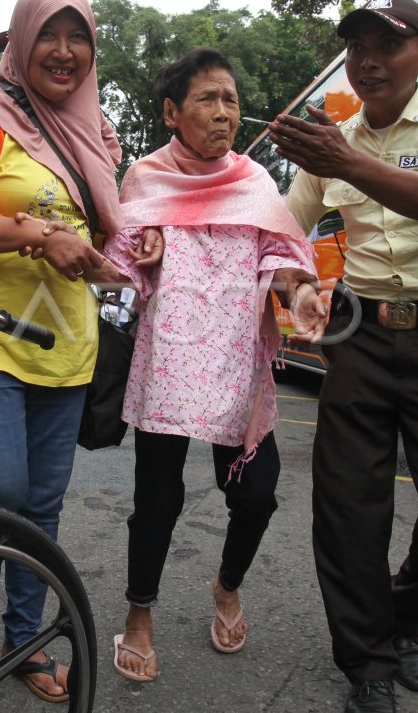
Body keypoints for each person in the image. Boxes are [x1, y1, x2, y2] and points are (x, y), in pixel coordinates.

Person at [269, 0, 418, 713]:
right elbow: (281, 237)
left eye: (387, 46)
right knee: (349, 507)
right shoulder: (331, 147)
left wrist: (345, 159)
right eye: (356, 48)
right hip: (361, 340)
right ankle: (367, 662)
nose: (368, 61)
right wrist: (295, 284)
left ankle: (404, 612)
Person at [0, 0, 160, 704]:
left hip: (67, 341)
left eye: (77, 36)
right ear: (22, 41)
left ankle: (23, 638)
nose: (63, 51)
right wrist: (34, 235)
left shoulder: (97, 131)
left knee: (43, 504)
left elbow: (108, 229)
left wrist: (137, 244)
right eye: (48, 35)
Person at [99, 48, 326, 682]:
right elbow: (117, 264)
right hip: (168, 364)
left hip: (236, 364)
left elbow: (279, 255)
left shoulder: (254, 182)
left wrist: (298, 292)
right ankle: (139, 615)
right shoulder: (145, 178)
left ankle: (227, 584)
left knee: (256, 494)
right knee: (157, 499)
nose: (223, 111)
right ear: (172, 112)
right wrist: (142, 248)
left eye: (230, 98)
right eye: (207, 99)